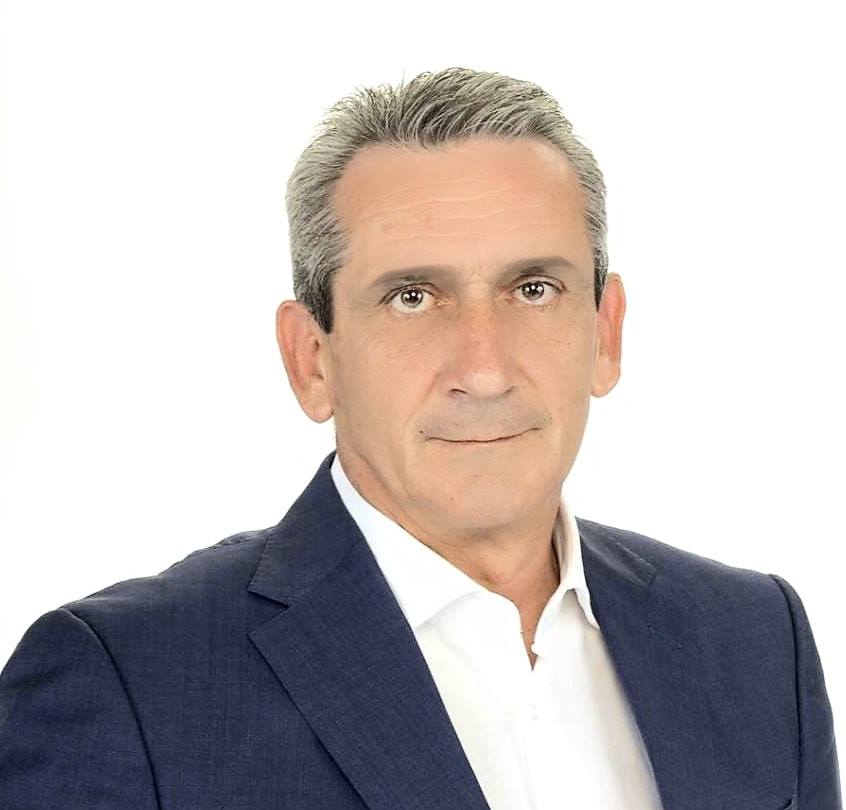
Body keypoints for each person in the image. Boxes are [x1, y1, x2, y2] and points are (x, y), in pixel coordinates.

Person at [0, 68, 840, 810]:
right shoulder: (127, 686)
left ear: (606, 332)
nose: (485, 370)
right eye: (412, 297)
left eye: (533, 288)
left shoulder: (753, 640)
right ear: (311, 359)